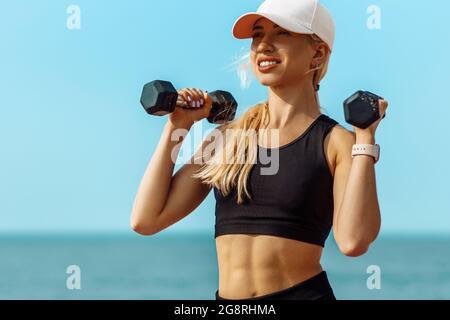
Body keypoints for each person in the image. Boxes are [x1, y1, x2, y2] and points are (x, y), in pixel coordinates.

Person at [130, 0, 389, 300]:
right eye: (257, 35)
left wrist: (365, 139)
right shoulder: (228, 140)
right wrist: (178, 126)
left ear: (317, 53)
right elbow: (146, 219)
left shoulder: (337, 143)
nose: (264, 45)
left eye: (281, 34)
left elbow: (353, 241)